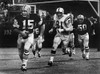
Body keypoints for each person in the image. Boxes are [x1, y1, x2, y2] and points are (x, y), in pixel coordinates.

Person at [13, 4, 41, 71]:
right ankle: (23, 62)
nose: (23, 12)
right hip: (20, 36)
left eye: (25, 11)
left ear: (29, 11)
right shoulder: (18, 17)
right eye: (22, 11)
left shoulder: (35, 16)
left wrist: (41, 34)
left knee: (26, 49)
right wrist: (21, 32)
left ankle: (24, 65)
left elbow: (42, 24)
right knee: (20, 52)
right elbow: (14, 28)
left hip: (30, 35)